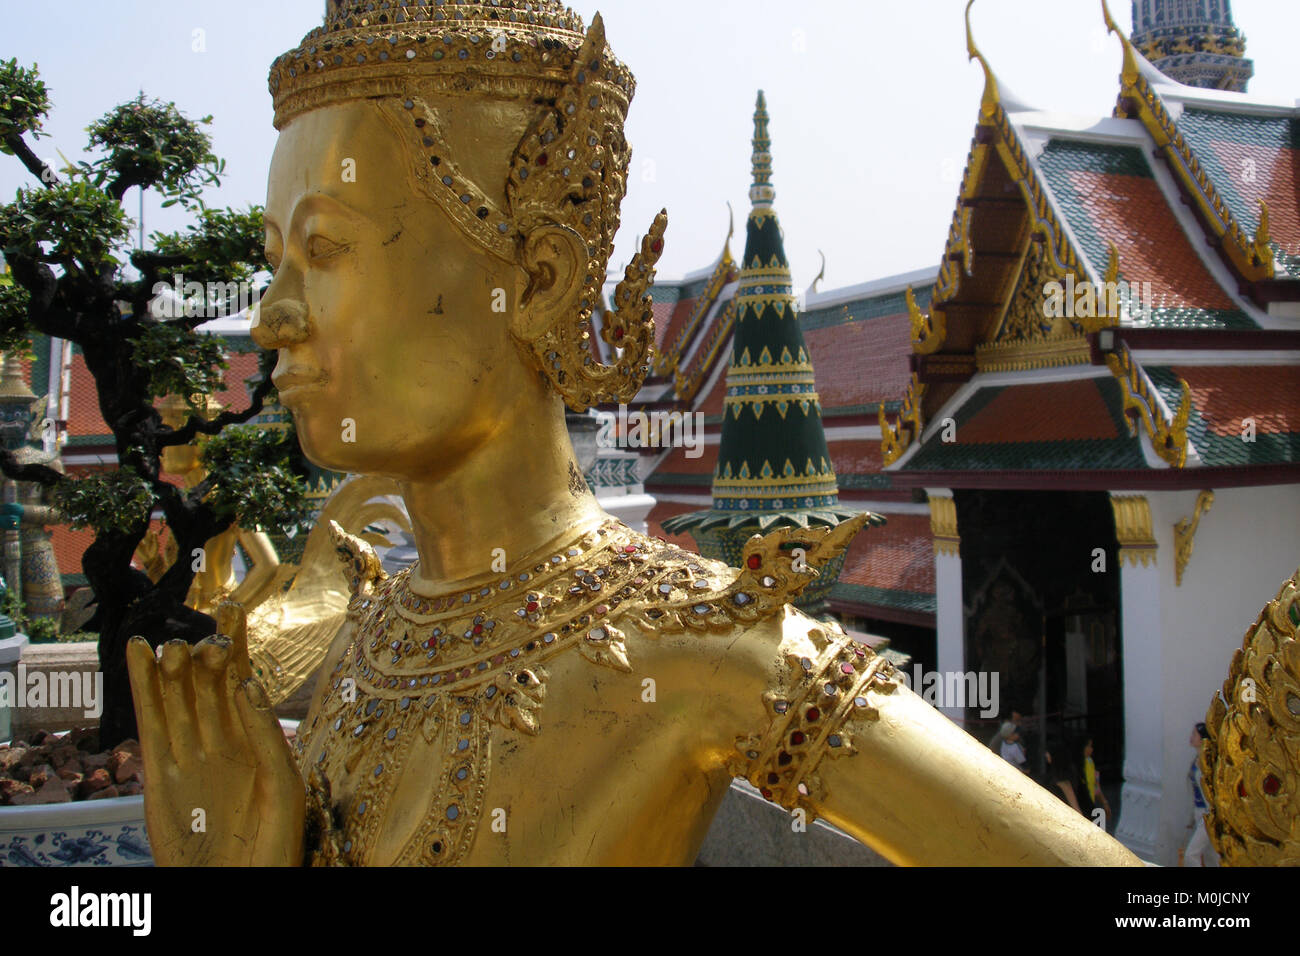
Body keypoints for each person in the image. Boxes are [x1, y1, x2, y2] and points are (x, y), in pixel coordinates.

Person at [124, 0, 1143, 868]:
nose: (271, 314)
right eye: (274, 257)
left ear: (534, 279)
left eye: (324, 248)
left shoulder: (711, 655)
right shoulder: (362, 642)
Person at [1184, 722, 1220, 867]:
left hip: (1208, 815)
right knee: (1210, 855)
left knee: (1191, 854)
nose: (1191, 737)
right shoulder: (1196, 760)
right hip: (1199, 812)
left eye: (1195, 734)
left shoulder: (1208, 762)